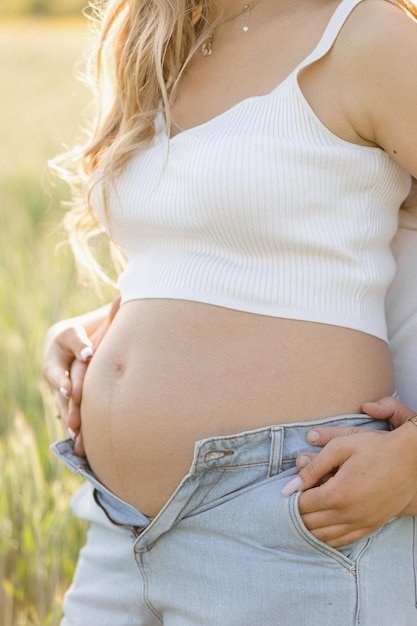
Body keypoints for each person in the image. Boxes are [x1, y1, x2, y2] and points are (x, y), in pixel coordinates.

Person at [43, 0, 417, 623]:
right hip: (119, 525)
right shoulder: (160, 40)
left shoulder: (365, 35)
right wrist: (94, 332)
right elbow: (206, 256)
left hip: (288, 518)